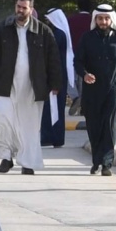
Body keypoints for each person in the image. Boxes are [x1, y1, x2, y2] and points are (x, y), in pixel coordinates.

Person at [0, 0, 61, 175]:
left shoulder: (43, 32)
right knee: (1, 120)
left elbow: (53, 59)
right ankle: (6, 157)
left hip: (33, 87)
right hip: (5, 84)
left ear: (31, 9)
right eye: (18, 7)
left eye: (24, 8)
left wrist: (55, 84)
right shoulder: (3, 30)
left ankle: (27, 162)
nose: (20, 10)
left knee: (29, 125)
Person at [74, 4, 116, 176]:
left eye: (106, 18)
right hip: (92, 90)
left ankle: (107, 164)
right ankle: (96, 161)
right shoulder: (86, 38)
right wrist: (85, 74)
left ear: (112, 20)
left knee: (109, 125)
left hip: (114, 89)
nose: (103, 21)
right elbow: (78, 61)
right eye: (100, 18)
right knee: (94, 126)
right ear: (95, 19)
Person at [40, 9, 71, 149]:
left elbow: (53, 58)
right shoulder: (58, 33)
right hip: (55, 75)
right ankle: (51, 137)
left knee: (54, 108)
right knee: (51, 107)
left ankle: (53, 137)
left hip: (56, 76)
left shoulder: (57, 34)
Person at [67, 0, 94, 115]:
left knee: (73, 79)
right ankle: (84, 106)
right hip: (89, 54)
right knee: (85, 79)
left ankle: (76, 97)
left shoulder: (71, 20)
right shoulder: (93, 20)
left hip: (73, 52)